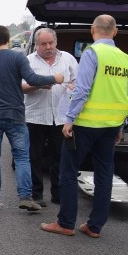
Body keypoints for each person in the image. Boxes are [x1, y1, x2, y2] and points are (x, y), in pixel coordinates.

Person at [41, 14, 128, 238]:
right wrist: (121, 126)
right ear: (115, 32)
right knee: (104, 174)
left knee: (68, 171)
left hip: (85, 123)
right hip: (111, 125)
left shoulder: (92, 53)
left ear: (93, 30)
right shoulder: (126, 59)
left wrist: (69, 118)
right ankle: (94, 226)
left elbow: (81, 89)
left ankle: (65, 223)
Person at [0, 25, 63, 212]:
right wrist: (55, 78)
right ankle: (26, 197)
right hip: (16, 117)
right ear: (9, 40)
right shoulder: (18, 57)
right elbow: (33, 79)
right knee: (22, 158)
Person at [23, 27, 78, 206]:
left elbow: (78, 80)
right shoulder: (28, 61)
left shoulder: (68, 58)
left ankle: (58, 194)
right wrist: (39, 84)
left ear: (56, 42)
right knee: (35, 157)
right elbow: (20, 86)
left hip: (61, 118)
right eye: (43, 44)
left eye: (51, 43)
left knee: (60, 158)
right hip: (35, 116)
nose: (48, 47)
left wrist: (73, 85)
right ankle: (36, 194)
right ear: (36, 45)